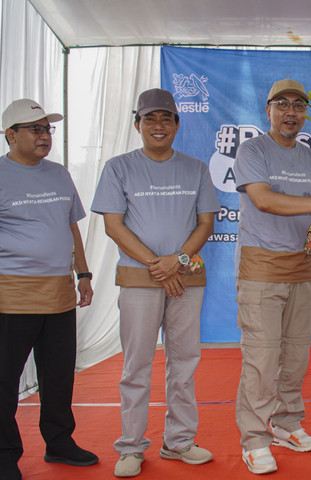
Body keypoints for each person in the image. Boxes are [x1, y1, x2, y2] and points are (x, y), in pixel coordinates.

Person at [233, 78, 311, 475]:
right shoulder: (253, 150)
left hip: (301, 268)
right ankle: (255, 439)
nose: (291, 112)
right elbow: (263, 199)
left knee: (295, 356)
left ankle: (286, 423)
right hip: (260, 268)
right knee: (261, 357)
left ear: (306, 113)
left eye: (299, 106)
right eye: (283, 104)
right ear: (268, 110)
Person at [91, 88, 220, 477]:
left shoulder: (196, 168)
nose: (158, 125)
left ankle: (179, 442)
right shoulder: (118, 167)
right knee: (137, 365)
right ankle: (131, 446)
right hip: (140, 278)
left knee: (184, 362)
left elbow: (206, 223)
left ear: (177, 125)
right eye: (150, 119)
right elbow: (113, 225)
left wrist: (176, 261)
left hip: (186, 278)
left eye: (166, 118)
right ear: (137, 125)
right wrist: (157, 265)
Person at [0, 99, 98, 480]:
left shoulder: (59, 174)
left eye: (47, 129)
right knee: (5, 380)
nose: (44, 136)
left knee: (58, 376)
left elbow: (71, 226)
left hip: (59, 293)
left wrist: (83, 273)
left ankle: (59, 442)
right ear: (11, 136)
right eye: (35, 129)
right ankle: (5, 454)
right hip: (12, 294)